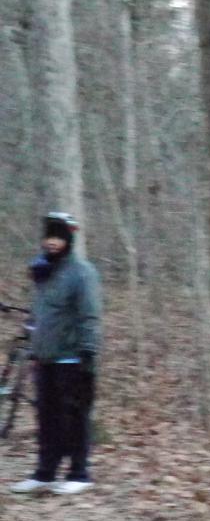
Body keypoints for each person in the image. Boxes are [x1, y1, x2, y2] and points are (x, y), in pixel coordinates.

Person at [10, 212, 102, 495]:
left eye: (58, 237)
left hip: (72, 357)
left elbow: (90, 315)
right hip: (44, 356)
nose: (51, 242)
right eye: (49, 236)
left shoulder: (82, 272)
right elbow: (40, 312)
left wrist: (88, 351)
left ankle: (79, 473)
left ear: (68, 240)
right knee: (46, 416)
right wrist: (31, 337)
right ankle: (45, 472)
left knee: (74, 416)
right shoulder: (42, 270)